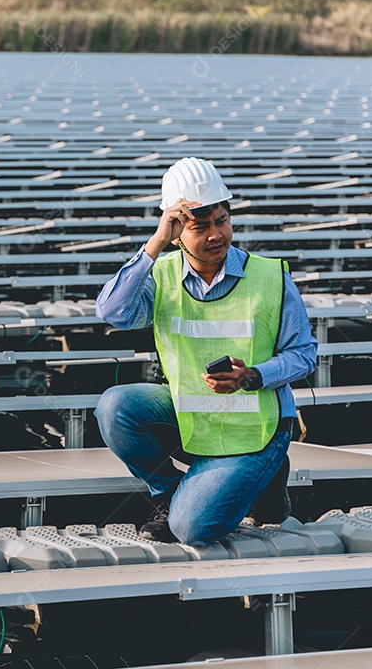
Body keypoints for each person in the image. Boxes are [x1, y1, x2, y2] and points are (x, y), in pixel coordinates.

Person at [94, 157, 317, 546]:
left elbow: (304, 355)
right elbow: (112, 311)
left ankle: (267, 477)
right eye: (201, 226)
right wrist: (155, 244)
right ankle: (170, 495)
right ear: (178, 233)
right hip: (191, 415)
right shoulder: (161, 275)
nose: (216, 234)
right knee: (116, 406)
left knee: (192, 531)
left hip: (258, 429)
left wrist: (253, 375)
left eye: (222, 221)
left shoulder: (271, 277)